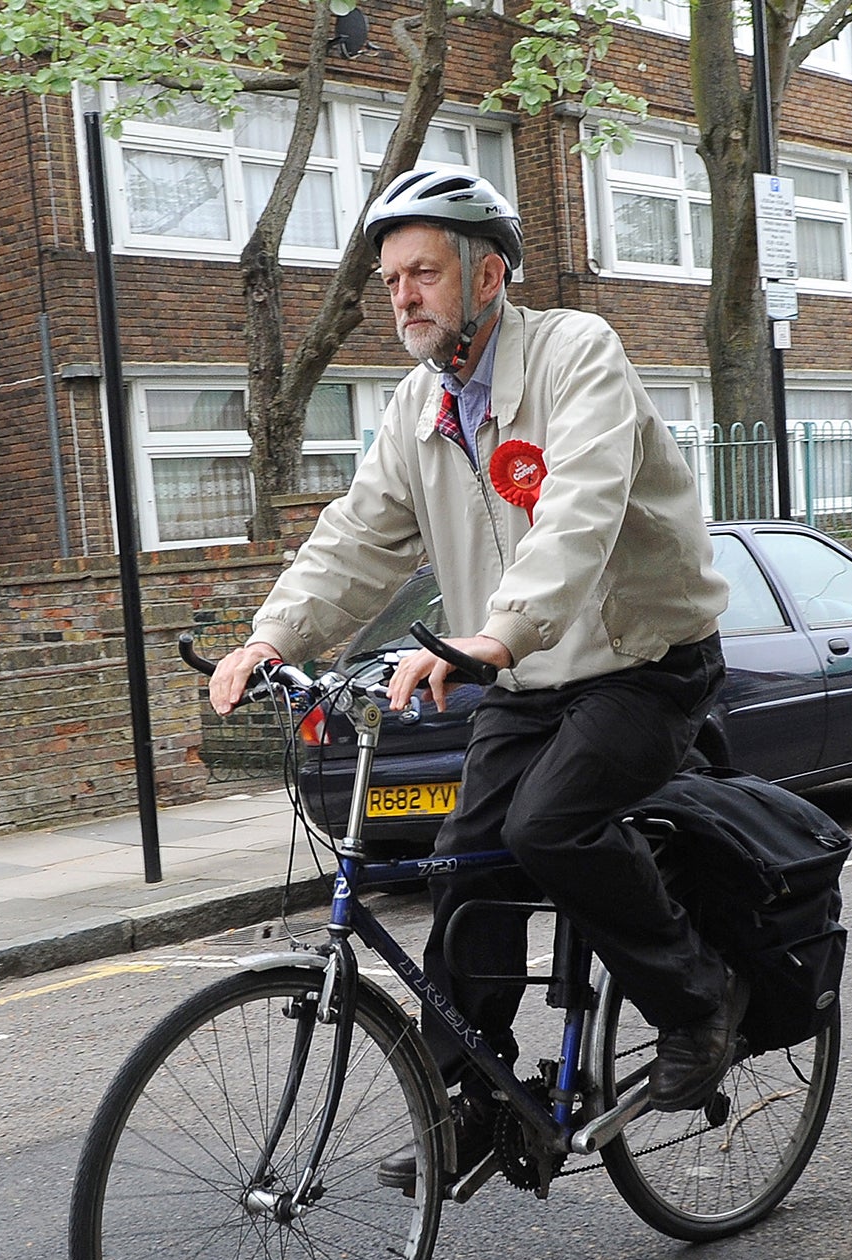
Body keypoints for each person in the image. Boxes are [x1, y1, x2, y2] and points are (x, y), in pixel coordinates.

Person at [207, 168, 740, 1185]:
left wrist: (495, 635)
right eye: (388, 278)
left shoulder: (576, 357)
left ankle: (695, 1002)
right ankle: (470, 1099)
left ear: (487, 274)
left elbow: (577, 512)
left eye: (421, 272)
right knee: (463, 866)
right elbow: (354, 541)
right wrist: (271, 637)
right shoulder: (419, 409)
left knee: (547, 827)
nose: (400, 296)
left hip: (640, 663)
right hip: (528, 678)